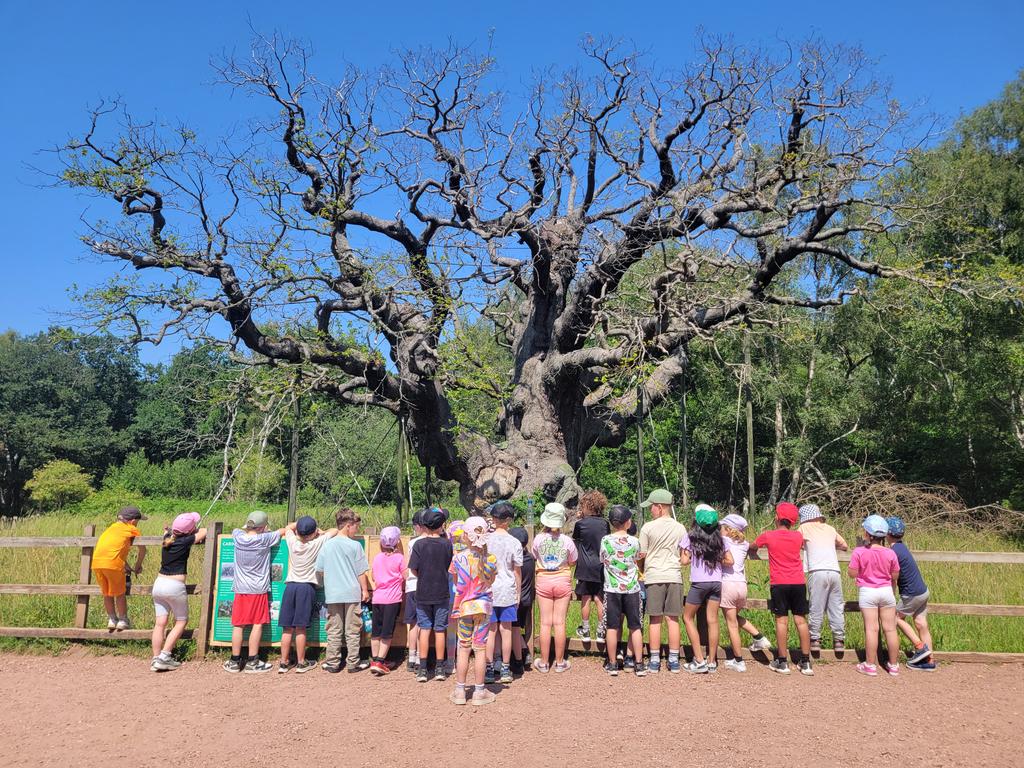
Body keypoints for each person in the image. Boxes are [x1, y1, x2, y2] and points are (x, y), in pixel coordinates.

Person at [751, 502, 813, 676]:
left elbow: (753, 546)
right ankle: (806, 661)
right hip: (798, 582)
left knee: (781, 621)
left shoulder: (768, 535)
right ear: (793, 521)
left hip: (779, 582)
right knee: (801, 621)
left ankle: (782, 661)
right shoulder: (798, 536)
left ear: (777, 518)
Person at [222, 511, 286, 673]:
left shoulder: (238, 537)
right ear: (263, 527)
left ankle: (234, 660)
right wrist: (268, 531)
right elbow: (284, 530)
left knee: (238, 625)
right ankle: (252, 661)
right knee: (257, 624)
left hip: (240, 588)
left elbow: (236, 530)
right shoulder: (265, 538)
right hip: (258, 588)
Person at [679, 504, 733, 674]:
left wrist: (695, 555)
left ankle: (699, 660)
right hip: (716, 582)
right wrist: (714, 556)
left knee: (687, 617)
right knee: (713, 620)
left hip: (699, 583)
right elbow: (730, 560)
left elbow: (684, 561)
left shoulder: (690, 537)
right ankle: (711, 661)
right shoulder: (721, 539)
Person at [315, 509, 371, 674]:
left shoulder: (327, 545)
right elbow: (361, 572)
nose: (357, 530)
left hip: (333, 593)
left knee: (334, 629)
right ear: (348, 525)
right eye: (356, 527)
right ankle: (353, 663)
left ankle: (332, 662)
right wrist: (365, 590)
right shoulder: (355, 546)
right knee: (353, 629)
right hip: (352, 593)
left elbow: (320, 570)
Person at [279, 515, 337, 673]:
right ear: (314, 532)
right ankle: (301, 662)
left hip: (290, 586)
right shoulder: (317, 543)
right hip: (306, 587)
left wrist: (298, 526)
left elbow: (288, 528)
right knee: (301, 627)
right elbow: (334, 530)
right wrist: (321, 532)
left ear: (298, 531)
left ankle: (284, 662)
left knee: (287, 628)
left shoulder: (292, 541)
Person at [637, 488, 687, 673]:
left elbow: (641, 554)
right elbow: (683, 553)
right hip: (674, 576)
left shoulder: (648, 527)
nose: (650, 510)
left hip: (654, 576)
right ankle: (673, 659)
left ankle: (654, 659)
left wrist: (641, 569)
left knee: (655, 619)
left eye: (651, 506)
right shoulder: (680, 527)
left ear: (659, 507)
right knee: (673, 618)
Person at [449, 516, 497, 706]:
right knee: (480, 649)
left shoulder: (457, 558)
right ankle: (479, 691)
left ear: (466, 536)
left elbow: (456, 582)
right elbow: (490, 582)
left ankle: (460, 690)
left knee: (463, 648)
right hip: (483, 608)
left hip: (464, 608)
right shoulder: (491, 559)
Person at [151, 512, 205, 671]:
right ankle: (165, 656)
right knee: (181, 621)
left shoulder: (167, 538)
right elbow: (204, 532)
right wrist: (196, 531)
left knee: (160, 623)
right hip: (174, 585)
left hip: (159, 583)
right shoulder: (185, 541)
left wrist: (186, 530)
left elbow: (168, 533)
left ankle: (156, 657)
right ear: (189, 531)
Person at [848, 515, 901, 677]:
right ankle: (893, 665)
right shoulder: (890, 553)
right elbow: (895, 575)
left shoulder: (859, 552)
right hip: (886, 591)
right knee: (890, 629)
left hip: (868, 592)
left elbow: (852, 573)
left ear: (867, 534)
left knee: (872, 629)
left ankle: (870, 665)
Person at [718, 513, 771, 672]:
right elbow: (753, 546)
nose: (719, 530)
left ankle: (739, 660)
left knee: (731, 623)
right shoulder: (744, 544)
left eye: (722, 527)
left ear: (728, 529)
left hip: (727, 584)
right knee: (733, 617)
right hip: (741, 585)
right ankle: (758, 637)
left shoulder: (722, 541)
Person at [531, 502, 578, 673]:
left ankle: (544, 662)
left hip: (543, 579)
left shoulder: (538, 539)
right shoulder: (567, 541)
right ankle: (559, 662)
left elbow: (535, 555)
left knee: (545, 623)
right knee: (559, 622)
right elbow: (573, 560)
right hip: (562, 580)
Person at [599, 504, 646, 677]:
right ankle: (639, 664)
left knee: (612, 627)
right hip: (632, 589)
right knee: (635, 627)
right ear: (627, 522)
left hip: (612, 589)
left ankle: (612, 663)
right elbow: (637, 558)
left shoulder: (605, 540)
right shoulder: (634, 541)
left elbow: (602, 558)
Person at [885, 516, 937, 671]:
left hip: (912, 593)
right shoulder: (902, 547)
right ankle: (930, 660)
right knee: (921, 623)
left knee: (895, 618)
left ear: (887, 534)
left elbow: (893, 577)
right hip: (922, 591)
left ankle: (920, 647)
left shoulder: (893, 552)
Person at [409, 507, 454, 682]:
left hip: (423, 592)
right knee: (440, 629)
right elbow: (448, 565)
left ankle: (422, 668)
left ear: (424, 525)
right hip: (442, 591)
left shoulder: (418, 544)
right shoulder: (447, 544)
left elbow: (413, 569)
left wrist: (424, 575)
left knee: (425, 629)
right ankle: (440, 667)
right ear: (441, 525)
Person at [798, 503, 849, 652]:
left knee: (816, 606)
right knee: (836, 606)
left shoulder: (804, 528)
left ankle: (815, 639)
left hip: (817, 570)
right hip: (834, 571)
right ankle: (839, 640)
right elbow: (844, 545)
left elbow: (795, 542)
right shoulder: (830, 529)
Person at [92, 506, 148, 632]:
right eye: (138, 522)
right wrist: (138, 565)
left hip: (97, 563)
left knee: (107, 593)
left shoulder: (110, 529)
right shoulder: (131, 529)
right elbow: (142, 549)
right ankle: (122, 620)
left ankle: (112, 619)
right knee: (120, 593)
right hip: (113, 564)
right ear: (133, 521)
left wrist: (125, 564)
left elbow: (113, 549)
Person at [485, 501, 523, 684]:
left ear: (493, 519)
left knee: (490, 630)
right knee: (506, 630)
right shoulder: (514, 542)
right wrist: (518, 593)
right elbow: (517, 571)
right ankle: (506, 668)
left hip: (489, 589)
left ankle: (489, 668)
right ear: (508, 521)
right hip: (507, 589)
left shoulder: (486, 540)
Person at [572, 490, 610, 642]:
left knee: (585, 598)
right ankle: (601, 631)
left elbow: (576, 541)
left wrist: (581, 519)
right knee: (600, 598)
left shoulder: (580, 524)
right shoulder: (605, 524)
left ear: (588, 506)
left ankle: (586, 630)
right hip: (601, 567)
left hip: (584, 567)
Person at [369, 526, 405, 675]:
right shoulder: (400, 558)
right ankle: (380, 661)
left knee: (376, 631)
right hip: (392, 599)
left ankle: (375, 659)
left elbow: (373, 576)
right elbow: (406, 576)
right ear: (397, 541)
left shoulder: (377, 558)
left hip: (377, 598)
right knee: (387, 632)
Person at [509, 526, 535, 672]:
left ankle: (523, 654)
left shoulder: (515, 561)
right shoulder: (530, 558)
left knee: (513, 629)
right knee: (516, 628)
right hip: (526, 599)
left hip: (515, 599)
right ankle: (522, 653)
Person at [404, 510, 426, 671]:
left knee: (413, 623)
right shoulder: (434, 541)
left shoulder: (412, 543)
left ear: (418, 526)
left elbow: (408, 565)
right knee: (423, 623)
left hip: (412, 585)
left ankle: (411, 657)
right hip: (425, 586)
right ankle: (420, 657)